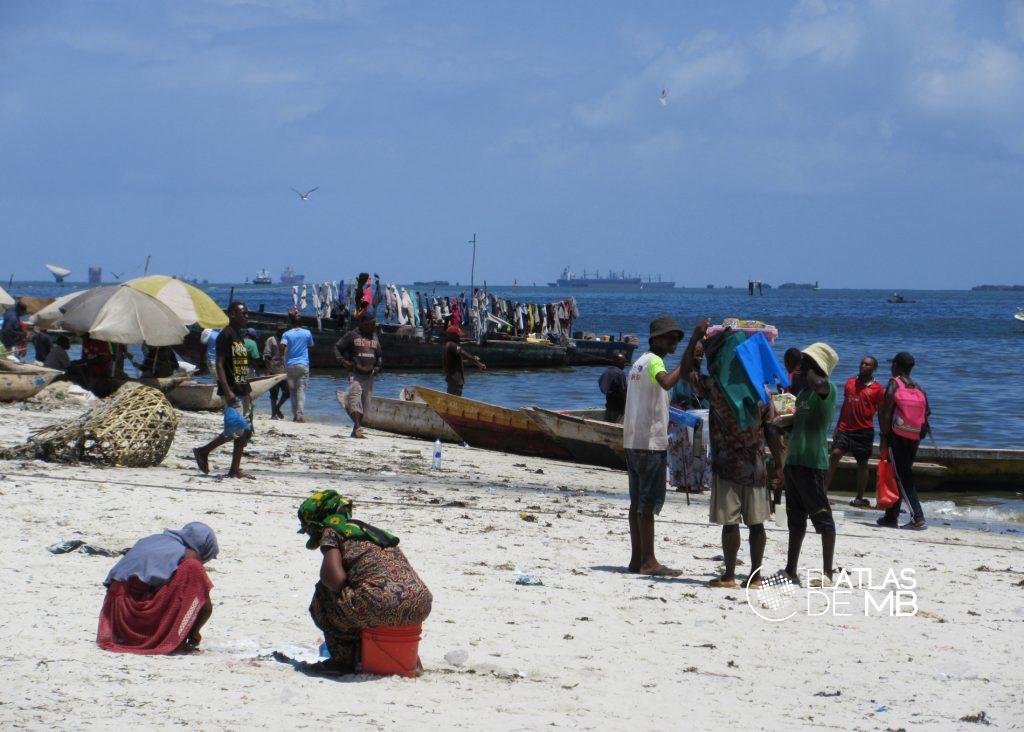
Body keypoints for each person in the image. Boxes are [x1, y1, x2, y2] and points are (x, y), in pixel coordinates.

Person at [298, 490, 432, 675]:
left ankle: (343, 660)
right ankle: (408, 660)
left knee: (324, 592)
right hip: (420, 603)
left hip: (381, 602)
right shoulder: (371, 531)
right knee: (368, 595)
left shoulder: (332, 529)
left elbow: (334, 579)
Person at [622, 315, 707, 577]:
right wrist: (691, 346)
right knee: (647, 504)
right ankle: (649, 561)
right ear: (656, 339)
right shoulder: (654, 362)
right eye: (670, 337)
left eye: (677, 339)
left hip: (633, 441)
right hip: (649, 443)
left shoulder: (638, 362)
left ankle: (637, 559)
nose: (673, 342)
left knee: (637, 502)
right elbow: (666, 382)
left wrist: (688, 359)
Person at [694, 331, 775, 588]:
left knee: (730, 524)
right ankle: (756, 576)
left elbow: (688, 373)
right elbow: (772, 427)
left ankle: (729, 575)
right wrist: (781, 464)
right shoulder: (761, 391)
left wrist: (696, 340)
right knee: (757, 524)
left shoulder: (717, 389)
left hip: (727, 466)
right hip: (756, 467)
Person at [97, 522, 218, 655]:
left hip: (115, 619)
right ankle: (175, 637)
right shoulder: (189, 555)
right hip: (134, 619)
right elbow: (205, 606)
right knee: (194, 569)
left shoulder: (153, 540)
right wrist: (194, 633)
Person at [778, 343, 839, 586]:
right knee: (795, 518)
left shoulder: (828, 389)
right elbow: (796, 419)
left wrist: (810, 369)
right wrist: (779, 421)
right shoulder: (803, 394)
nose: (800, 366)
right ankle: (791, 569)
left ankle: (827, 573)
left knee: (823, 518)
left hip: (813, 463)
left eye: (806, 361)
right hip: (794, 462)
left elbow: (820, 385)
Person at [193, 302, 253, 479]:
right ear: (232, 314)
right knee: (236, 430)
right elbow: (219, 364)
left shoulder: (238, 335)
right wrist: (227, 391)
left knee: (244, 431)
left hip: (242, 388)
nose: (247, 316)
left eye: (247, 313)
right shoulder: (225, 335)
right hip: (232, 389)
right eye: (244, 313)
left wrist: (248, 388)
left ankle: (235, 469)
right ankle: (203, 451)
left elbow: (241, 365)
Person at [877, 352, 930, 530]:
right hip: (913, 437)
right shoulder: (918, 387)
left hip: (896, 437)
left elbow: (885, 412)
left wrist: (884, 437)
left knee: (902, 476)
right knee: (898, 474)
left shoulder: (894, 383)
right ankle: (891, 516)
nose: (891, 367)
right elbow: (927, 413)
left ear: (897, 366)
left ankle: (918, 517)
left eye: (893, 365)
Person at [826, 356, 884, 506]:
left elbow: (882, 412)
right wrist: (837, 426)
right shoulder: (850, 382)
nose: (863, 366)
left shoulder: (877, 389)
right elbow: (845, 405)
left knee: (862, 463)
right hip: (845, 429)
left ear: (874, 369)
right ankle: (822, 492)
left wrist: (885, 434)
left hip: (864, 431)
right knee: (834, 455)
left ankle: (859, 497)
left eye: (867, 364)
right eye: (862, 363)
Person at [335, 312, 382, 438]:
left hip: (370, 375)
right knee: (355, 400)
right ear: (364, 324)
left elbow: (379, 355)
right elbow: (337, 347)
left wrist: (378, 366)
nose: (374, 326)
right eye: (372, 324)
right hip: (355, 374)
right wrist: (343, 362)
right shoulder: (352, 335)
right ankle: (358, 428)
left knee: (365, 405)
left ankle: (355, 430)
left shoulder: (374, 337)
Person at [281, 316, 314, 423]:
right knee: (301, 391)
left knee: (292, 392)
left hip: (290, 365)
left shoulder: (286, 334)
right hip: (303, 364)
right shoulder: (307, 333)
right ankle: (299, 416)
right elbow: (310, 345)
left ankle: (295, 415)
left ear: (291, 324)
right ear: (301, 324)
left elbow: (282, 346)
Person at [442, 323, 485, 396]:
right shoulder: (453, 345)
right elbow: (464, 353)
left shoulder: (447, 345)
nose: (459, 337)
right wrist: (479, 364)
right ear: (452, 335)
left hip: (452, 379)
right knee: (456, 400)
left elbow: (458, 362)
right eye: (457, 335)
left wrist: (471, 360)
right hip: (456, 379)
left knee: (451, 400)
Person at [262, 328, 289, 420]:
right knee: (274, 394)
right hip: (273, 370)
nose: (281, 333)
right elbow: (266, 356)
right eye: (279, 330)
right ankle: (273, 414)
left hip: (284, 370)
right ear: (276, 331)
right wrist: (268, 371)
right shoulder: (271, 340)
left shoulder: (286, 340)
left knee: (288, 392)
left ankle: (277, 408)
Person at [598, 351, 628, 422]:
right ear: (616, 362)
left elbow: (602, 387)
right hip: (619, 410)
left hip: (609, 407)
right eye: (623, 362)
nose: (624, 364)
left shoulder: (605, 372)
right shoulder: (620, 373)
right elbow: (624, 391)